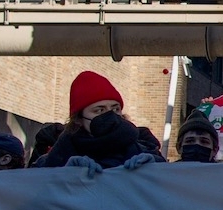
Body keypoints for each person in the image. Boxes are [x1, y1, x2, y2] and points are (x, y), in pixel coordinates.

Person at [35, 72, 164, 170]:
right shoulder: (59, 155)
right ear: (79, 119)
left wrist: (155, 168)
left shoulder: (145, 148)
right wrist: (63, 174)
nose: (110, 115)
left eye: (116, 109)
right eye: (99, 110)